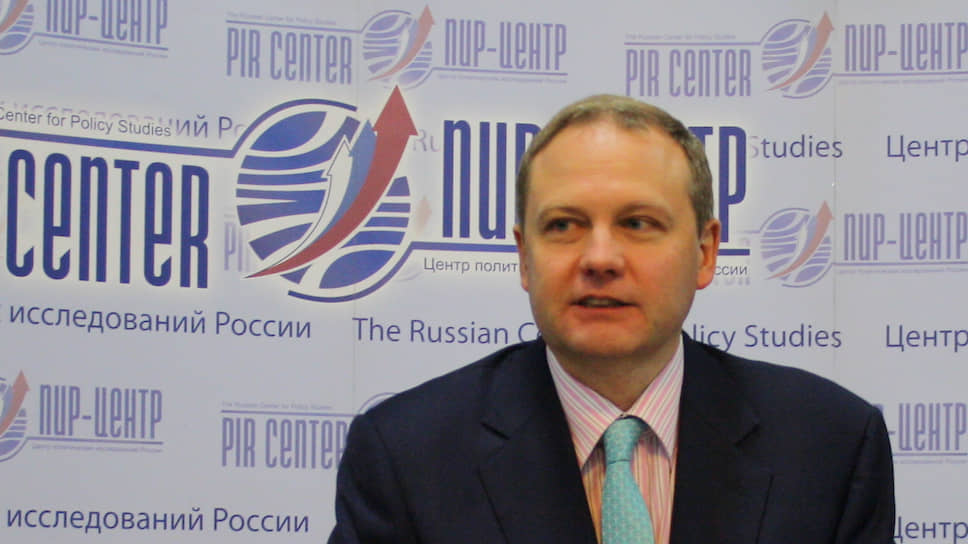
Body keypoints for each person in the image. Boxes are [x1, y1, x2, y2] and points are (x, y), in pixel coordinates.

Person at [328, 95, 895, 543]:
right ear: (524, 257)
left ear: (705, 252)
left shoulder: (832, 445)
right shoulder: (406, 455)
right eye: (563, 226)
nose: (599, 259)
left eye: (638, 223)